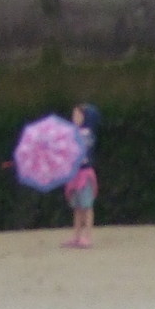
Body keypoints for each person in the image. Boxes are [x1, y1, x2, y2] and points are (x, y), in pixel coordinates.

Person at [63, 102, 99, 248]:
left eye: (78, 115)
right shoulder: (72, 132)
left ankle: (87, 237)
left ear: (86, 117)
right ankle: (77, 236)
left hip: (84, 173)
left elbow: (80, 150)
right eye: (73, 114)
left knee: (87, 206)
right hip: (75, 174)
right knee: (77, 207)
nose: (74, 117)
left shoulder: (86, 133)